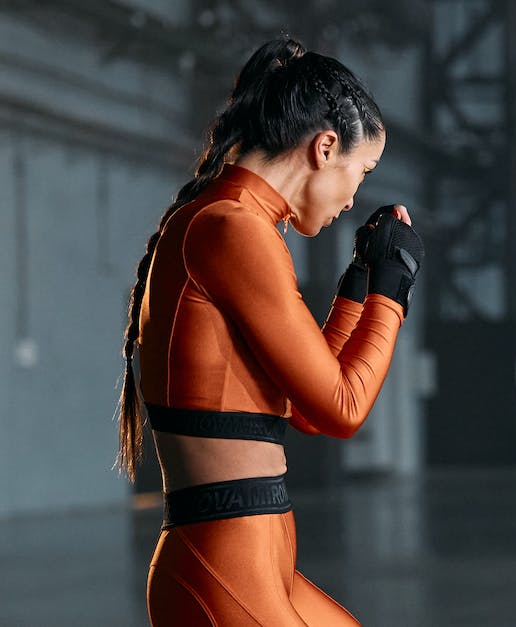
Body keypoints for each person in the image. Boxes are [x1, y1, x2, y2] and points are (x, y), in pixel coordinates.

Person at [114, 38, 424, 625]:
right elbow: (342, 406)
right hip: (224, 570)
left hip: (247, 566)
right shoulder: (233, 228)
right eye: (361, 172)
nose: (354, 196)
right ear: (325, 148)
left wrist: (359, 282)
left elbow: (308, 408)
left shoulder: (237, 224)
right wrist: (394, 286)